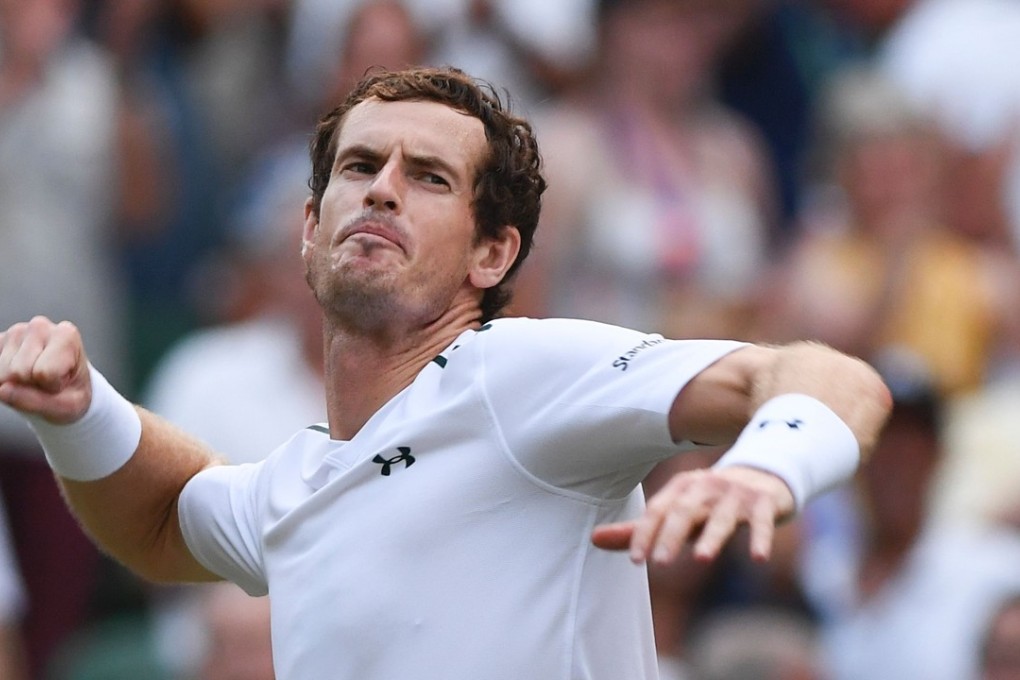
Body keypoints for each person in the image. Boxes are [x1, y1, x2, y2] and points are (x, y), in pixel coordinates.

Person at [0, 66, 891, 679]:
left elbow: (832, 381)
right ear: (310, 228)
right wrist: (79, 411)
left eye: (427, 177)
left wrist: (766, 465)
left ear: (493, 254)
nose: (382, 188)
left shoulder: (516, 374)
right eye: (360, 166)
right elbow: (159, 514)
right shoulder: (299, 485)